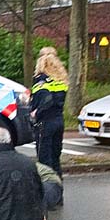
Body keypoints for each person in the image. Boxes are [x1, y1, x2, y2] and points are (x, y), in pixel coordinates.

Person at [30, 48, 68, 178]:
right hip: (59, 121)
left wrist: (36, 112)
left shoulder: (40, 79)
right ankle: (58, 187)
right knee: (55, 158)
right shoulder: (60, 80)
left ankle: (47, 190)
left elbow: (46, 99)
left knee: (44, 161)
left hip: (45, 123)